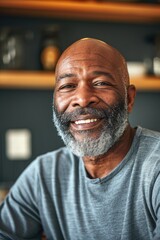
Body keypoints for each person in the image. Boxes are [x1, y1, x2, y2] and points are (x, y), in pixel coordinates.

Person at [0, 38, 160, 240]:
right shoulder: (43, 175)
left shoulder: (155, 168)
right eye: (67, 86)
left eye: (100, 83)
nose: (83, 98)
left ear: (129, 99)